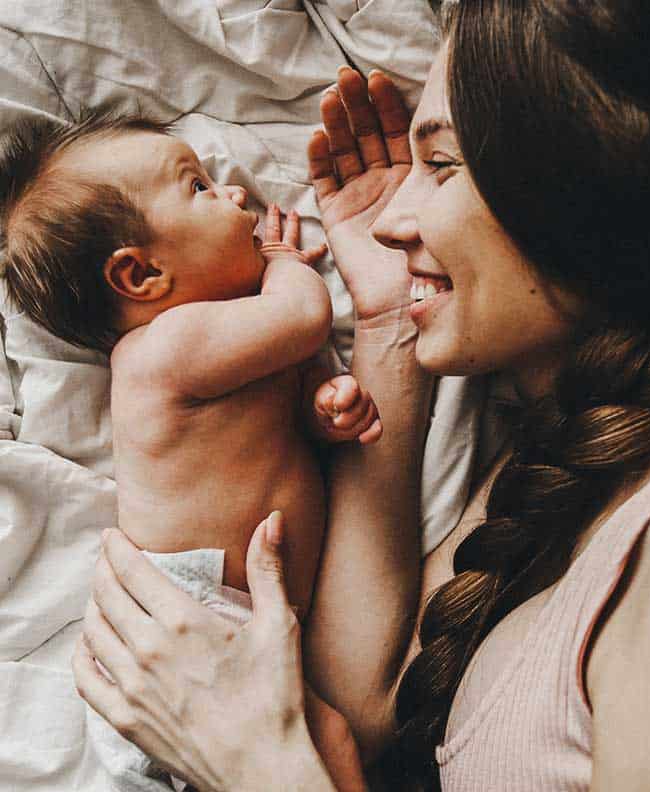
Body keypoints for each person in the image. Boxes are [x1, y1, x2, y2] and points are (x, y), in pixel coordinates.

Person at [74, 1, 650, 790]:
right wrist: (385, 320)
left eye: (441, 165)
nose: (393, 221)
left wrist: (254, 764)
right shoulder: (585, 451)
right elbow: (370, 698)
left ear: (593, 178)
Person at [0, 112, 380, 792]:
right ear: (141, 274)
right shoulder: (159, 354)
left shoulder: (224, 349)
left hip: (223, 622)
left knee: (332, 741)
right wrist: (286, 264)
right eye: (199, 188)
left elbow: (279, 439)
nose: (236, 196)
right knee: (331, 741)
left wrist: (328, 413)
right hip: (188, 618)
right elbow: (304, 318)